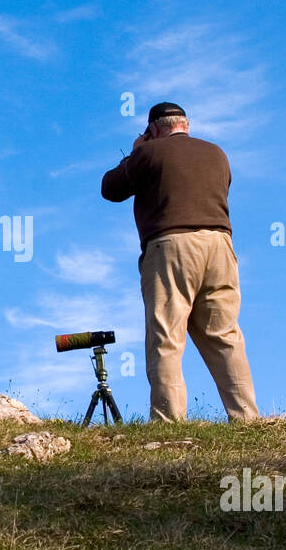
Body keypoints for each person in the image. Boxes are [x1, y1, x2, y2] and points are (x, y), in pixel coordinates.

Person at [101, 101, 259, 422]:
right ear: (186, 124)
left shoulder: (148, 153)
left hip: (172, 245)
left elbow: (111, 188)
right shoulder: (218, 154)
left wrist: (134, 152)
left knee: (167, 338)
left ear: (154, 130)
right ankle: (247, 419)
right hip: (220, 246)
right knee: (225, 336)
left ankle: (169, 422)